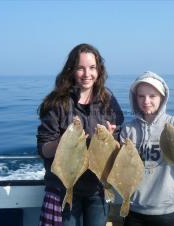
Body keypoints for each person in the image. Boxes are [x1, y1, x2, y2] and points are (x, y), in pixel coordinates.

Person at [36, 43, 124, 226]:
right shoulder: (57, 103)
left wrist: (111, 138)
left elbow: (120, 142)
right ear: (71, 70)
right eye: (80, 68)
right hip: (64, 188)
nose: (87, 74)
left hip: (97, 188)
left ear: (99, 70)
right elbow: (44, 149)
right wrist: (61, 142)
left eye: (92, 68)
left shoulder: (108, 101)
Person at [120, 71, 174, 226]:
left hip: (166, 212)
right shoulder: (128, 130)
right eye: (141, 96)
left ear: (162, 98)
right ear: (135, 99)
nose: (146, 101)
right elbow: (122, 171)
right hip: (133, 209)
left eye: (152, 96)